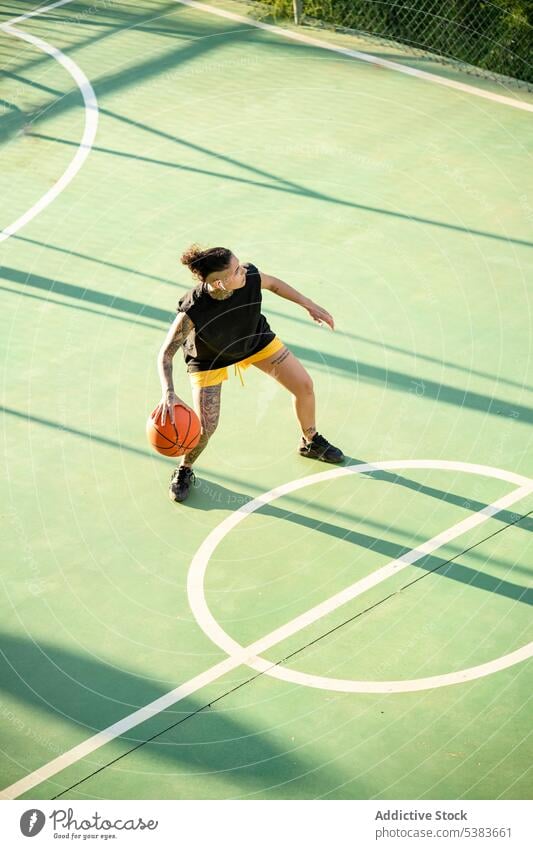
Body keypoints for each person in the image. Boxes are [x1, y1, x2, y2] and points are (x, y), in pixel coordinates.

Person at [157, 245, 344, 503]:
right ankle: (184, 469)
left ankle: (310, 440)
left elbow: (275, 284)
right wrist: (169, 392)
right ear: (220, 282)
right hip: (210, 359)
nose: (243, 270)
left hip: (253, 340)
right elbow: (165, 354)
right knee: (205, 427)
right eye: (236, 270)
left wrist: (308, 305)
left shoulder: (250, 278)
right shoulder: (194, 308)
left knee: (304, 386)